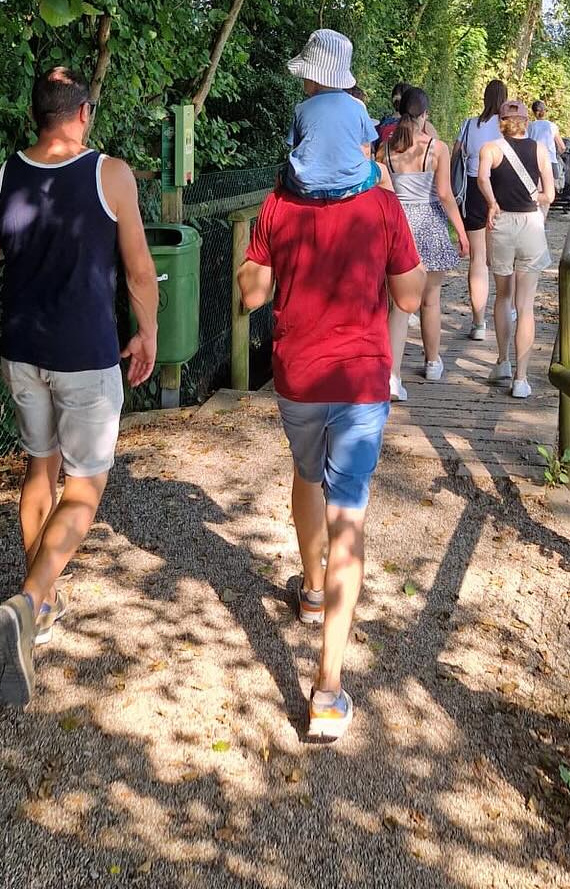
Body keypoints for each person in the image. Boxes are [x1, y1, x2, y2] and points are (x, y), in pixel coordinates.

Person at [0, 67, 159, 710]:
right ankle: (31, 597)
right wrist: (147, 331)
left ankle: (38, 611)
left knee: (38, 470)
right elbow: (139, 270)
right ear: (82, 116)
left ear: (38, 117)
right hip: (85, 356)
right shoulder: (110, 175)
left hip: (21, 353)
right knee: (86, 485)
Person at [238, 176, 424, 742]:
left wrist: (260, 243)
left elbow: (252, 293)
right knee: (349, 514)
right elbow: (410, 296)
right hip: (362, 379)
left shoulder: (277, 204)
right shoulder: (384, 206)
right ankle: (326, 687)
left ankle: (313, 592)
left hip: (299, 377)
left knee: (305, 473)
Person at [384, 87, 470, 395]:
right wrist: (460, 231)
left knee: (397, 305)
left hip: (396, 229)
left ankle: (392, 376)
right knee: (430, 301)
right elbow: (445, 195)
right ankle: (432, 362)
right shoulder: (437, 148)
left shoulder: (385, 149)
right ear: (425, 115)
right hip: (429, 225)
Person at [478, 98, 555, 399]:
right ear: (526, 121)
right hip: (531, 226)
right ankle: (521, 379)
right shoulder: (539, 150)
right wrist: (536, 200)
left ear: (501, 123)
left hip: (502, 225)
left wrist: (492, 202)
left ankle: (503, 361)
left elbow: (482, 178)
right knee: (526, 306)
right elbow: (550, 193)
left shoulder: (490, 149)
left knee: (503, 297)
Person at [282, 29, 380, 199]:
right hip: (352, 185)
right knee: (381, 170)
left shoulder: (302, 109)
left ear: (313, 78)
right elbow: (366, 149)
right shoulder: (358, 107)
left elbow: (297, 149)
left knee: (281, 173)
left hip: (307, 187)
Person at [451, 78, 507, 340]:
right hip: (502, 189)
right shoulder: (508, 125)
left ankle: (478, 323)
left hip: (473, 191)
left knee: (477, 259)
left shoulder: (469, 124)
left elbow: (456, 155)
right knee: (505, 256)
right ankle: (509, 309)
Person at [526, 99, 563, 180]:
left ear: (533, 112)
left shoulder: (530, 126)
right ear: (544, 111)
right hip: (550, 161)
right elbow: (562, 147)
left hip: (534, 162)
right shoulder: (552, 126)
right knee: (554, 186)